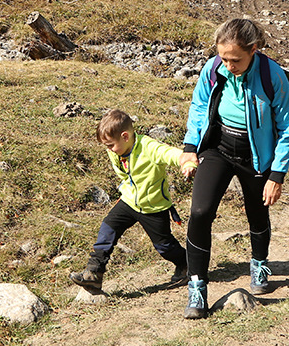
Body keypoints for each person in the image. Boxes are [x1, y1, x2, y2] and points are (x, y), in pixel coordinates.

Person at [178, 18, 289, 319]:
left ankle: (259, 264)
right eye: (223, 58)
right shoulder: (213, 68)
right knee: (200, 212)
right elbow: (198, 106)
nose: (228, 64)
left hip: (256, 156)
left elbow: (287, 126)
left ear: (254, 50)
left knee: (256, 212)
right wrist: (190, 148)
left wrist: (277, 175)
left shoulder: (273, 76)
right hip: (218, 148)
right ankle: (197, 286)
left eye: (235, 59)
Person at [69, 108, 197, 291]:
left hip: (153, 206)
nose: (109, 150)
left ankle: (188, 264)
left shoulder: (149, 147)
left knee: (164, 247)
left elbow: (172, 154)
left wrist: (188, 163)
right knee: (108, 228)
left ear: (125, 137)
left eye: (111, 145)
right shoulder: (116, 150)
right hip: (129, 201)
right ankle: (94, 273)